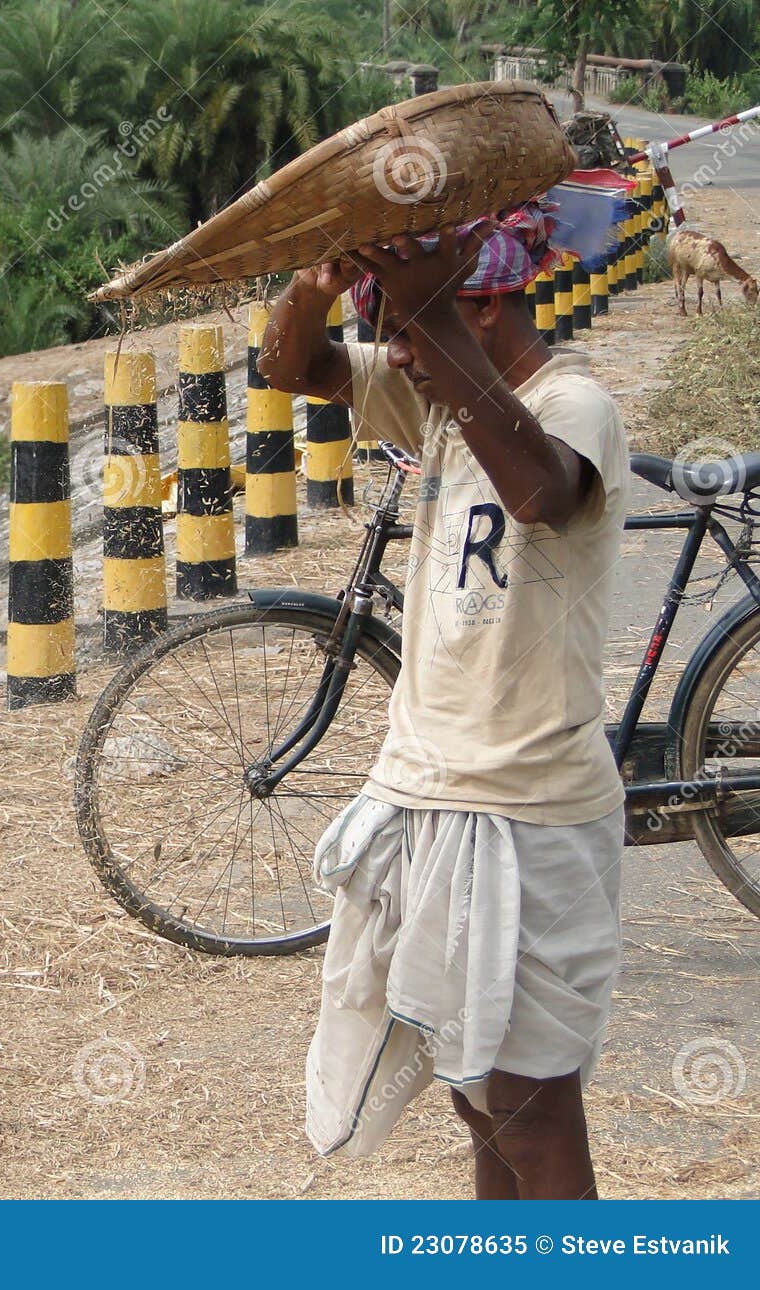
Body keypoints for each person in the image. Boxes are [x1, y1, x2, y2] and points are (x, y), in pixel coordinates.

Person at [259, 206, 629, 1200]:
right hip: (433, 792)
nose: (399, 357)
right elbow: (289, 369)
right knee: (478, 1095)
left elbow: (543, 494)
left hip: (529, 808)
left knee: (525, 1103)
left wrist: (436, 324)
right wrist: (313, 284)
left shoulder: (570, 404)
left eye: (409, 331)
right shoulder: (437, 406)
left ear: (481, 308)